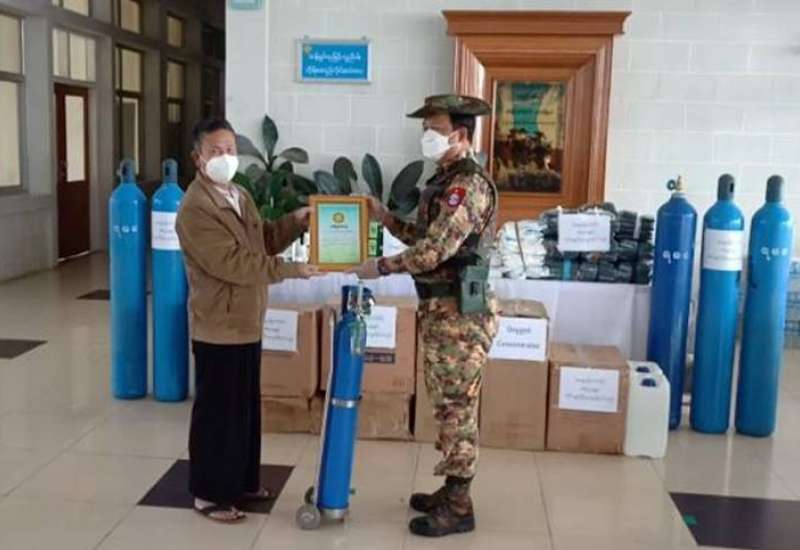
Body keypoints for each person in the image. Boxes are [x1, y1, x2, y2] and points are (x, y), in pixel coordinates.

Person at [348, 95, 499, 538]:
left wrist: (380, 267)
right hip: (443, 311)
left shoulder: (467, 186)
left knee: (457, 408)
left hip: (459, 316)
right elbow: (424, 235)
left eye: (435, 128)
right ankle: (451, 490)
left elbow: (434, 251)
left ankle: (459, 507)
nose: (427, 136)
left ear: (460, 134)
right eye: (425, 129)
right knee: (447, 404)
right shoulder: (446, 180)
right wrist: (386, 218)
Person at [176, 117, 318, 523]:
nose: (225, 157)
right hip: (218, 326)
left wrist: (294, 222)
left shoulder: (239, 194)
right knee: (217, 413)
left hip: (247, 321)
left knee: (244, 411)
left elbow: (263, 240)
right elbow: (232, 263)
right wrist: (290, 270)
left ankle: (241, 482)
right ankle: (210, 494)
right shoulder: (196, 209)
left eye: (230, 150)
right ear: (198, 158)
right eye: (215, 151)